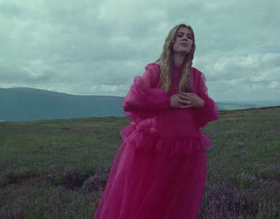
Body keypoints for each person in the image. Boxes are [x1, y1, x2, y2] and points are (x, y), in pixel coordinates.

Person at [93, 24, 218, 219]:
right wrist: (167, 101)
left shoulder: (196, 76)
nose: (185, 38)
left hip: (186, 150)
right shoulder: (156, 70)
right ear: (171, 41)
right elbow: (133, 98)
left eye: (189, 37)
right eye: (180, 35)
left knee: (175, 203)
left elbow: (208, 114)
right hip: (154, 148)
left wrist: (199, 102)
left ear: (193, 44)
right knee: (147, 202)